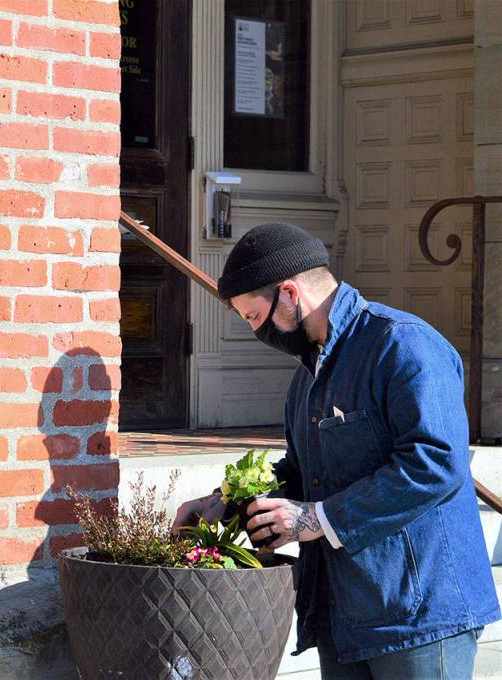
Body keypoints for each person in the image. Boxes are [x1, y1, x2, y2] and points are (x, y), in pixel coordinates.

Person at [173, 223, 500, 678]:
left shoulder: (403, 344)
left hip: (421, 616)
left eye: (253, 316)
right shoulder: (306, 376)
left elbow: (436, 464)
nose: (254, 332)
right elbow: (301, 471)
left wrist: (312, 519)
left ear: (289, 293)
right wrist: (223, 503)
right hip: (342, 616)